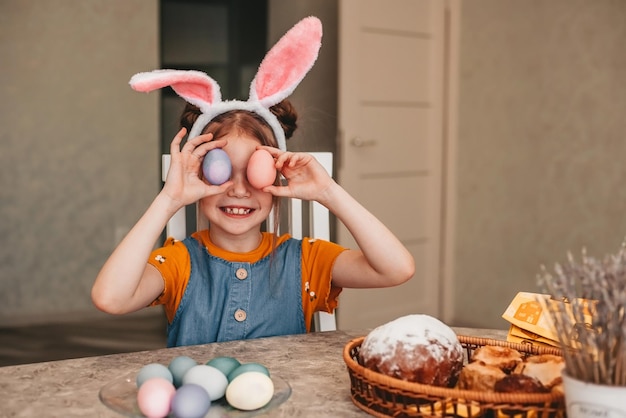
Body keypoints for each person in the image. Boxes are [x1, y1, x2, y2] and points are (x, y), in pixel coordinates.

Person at [91, 17, 414, 347]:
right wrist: (169, 199)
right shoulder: (180, 262)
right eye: (222, 170)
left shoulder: (306, 260)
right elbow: (110, 299)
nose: (240, 189)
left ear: (277, 174)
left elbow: (396, 269)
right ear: (199, 175)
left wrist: (329, 192)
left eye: (255, 170)